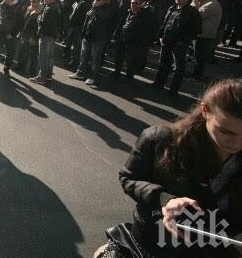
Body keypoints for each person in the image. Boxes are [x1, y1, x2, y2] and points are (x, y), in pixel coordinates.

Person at [94, 78, 242, 258]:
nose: (236, 144)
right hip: (148, 245)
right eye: (225, 132)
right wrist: (164, 199)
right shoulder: (160, 140)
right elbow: (128, 178)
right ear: (205, 110)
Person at [152, 0, 202, 96]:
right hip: (166, 41)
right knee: (163, 64)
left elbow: (196, 30)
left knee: (178, 68)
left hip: (179, 43)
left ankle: (173, 90)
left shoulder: (192, 12)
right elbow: (165, 23)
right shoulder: (172, 8)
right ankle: (158, 84)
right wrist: (161, 36)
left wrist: (184, 41)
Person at [69, 0, 115, 86]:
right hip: (88, 36)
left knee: (95, 59)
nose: (95, 1)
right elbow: (87, 21)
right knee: (83, 56)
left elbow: (104, 18)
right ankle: (80, 73)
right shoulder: (93, 8)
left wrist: (95, 8)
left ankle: (93, 77)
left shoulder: (108, 9)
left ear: (105, 1)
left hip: (98, 38)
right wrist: (83, 33)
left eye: (98, 0)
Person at [112, 0, 154, 83]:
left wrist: (142, 41)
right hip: (122, 38)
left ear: (141, 4)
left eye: (136, 3)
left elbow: (148, 30)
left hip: (135, 41)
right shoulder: (127, 12)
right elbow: (120, 23)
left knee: (131, 61)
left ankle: (128, 78)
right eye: (132, 3)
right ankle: (116, 73)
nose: (133, 5)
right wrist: (116, 35)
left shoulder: (146, 15)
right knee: (118, 57)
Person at [30, 0, 62, 85]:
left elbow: (41, 21)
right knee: (48, 57)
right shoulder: (53, 7)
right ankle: (47, 76)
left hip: (46, 35)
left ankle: (42, 77)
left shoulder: (50, 8)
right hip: (50, 35)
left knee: (43, 57)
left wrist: (39, 18)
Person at [193, 0, 222, 81]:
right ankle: (198, 74)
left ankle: (197, 75)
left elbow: (196, 16)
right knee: (201, 56)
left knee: (199, 56)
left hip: (203, 34)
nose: (198, 0)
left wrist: (194, 6)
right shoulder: (214, 3)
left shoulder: (209, 5)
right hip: (208, 34)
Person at [64, 0, 92, 67]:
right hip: (74, 26)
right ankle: (73, 59)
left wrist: (72, 19)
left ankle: (75, 61)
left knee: (77, 46)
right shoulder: (79, 2)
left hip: (78, 27)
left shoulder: (85, 3)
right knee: (74, 44)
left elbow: (77, 15)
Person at [15, 0, 41, 77]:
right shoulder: (29, 9)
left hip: (33, 37)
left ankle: (32, 72)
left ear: (39, 2)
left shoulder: (40, 12)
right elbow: (24, 22)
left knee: (33, 55)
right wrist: (20, 32)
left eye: (34, 1)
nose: (32, 3)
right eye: (31, 1)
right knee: (23, 52)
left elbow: (39, 26)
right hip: (25, 35)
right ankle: (21, 67)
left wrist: (34, 37)